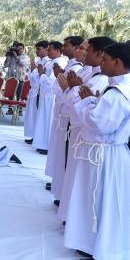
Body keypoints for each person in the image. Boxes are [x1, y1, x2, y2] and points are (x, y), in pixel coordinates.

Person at [64, 43, 130, 260]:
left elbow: (99, 124)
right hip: (112, 152)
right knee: (103, 201)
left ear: (117, 62)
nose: (102, 62)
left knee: (106, 202)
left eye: (105, 59)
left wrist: (87, 102)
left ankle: (106, 253)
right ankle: (97, 244)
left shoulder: (117, 93)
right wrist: (95, 103)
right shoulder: (127, 86)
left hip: (107, 154)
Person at [57, 36, 112, 222]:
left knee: (81, 181)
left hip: (86, 134)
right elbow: (79, 97)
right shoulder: (91, 73)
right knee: (73, 176)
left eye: (86, 49)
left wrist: (70, 89)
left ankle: (76, 219)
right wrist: (72, 89)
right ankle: (70, 214)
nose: (84, 52)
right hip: (80, 132)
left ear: (100, 54)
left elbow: (83, 104)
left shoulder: (101, 80)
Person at [46, 36, 85, 201]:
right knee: (60, 152)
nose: (63, 47)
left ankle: (62, 190)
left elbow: (64, 91)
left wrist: (64, 85)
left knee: (66, 154)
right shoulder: (71, 66)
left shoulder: (78, 69)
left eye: (67, 45)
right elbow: (58, 88)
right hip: (63, 111)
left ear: (76, 48)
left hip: (71, 116)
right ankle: (59, 184)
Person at [32, 41, 64, 154]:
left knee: (48, 120)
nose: (48, 52)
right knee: (43, 119)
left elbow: (52, 81)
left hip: (51, 95)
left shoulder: (58, 63)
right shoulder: (51, 62)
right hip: (45, 95)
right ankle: (42, 143)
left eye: (50, 50)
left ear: (58, 51)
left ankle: (47, 145)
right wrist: (39, 73)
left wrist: (42, 74)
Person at [24, 41, 50, 143]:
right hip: (34, 90)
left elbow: (40, 78)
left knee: (39, 116)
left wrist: (35, 70)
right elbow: (31, 78)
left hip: (41, 91)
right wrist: (33, 70)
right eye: (36, 49)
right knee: (32, 115)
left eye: (39, 49)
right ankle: (33, 135)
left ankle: (38, 137)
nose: (37, 51)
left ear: (46, 49)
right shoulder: (38, 60)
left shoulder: (48, 62)